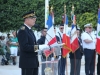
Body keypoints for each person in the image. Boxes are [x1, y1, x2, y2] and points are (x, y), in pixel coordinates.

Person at [17, 11, 50, 75]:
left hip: (33, 62)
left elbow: (33, 44)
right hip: (27, 63)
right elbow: (24, 47)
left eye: (35, 19)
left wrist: (41, 48)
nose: (34, 20)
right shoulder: (23, 31)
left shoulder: (29, 30)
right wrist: (39, 47)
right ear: (26, 19)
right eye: (32, 19)